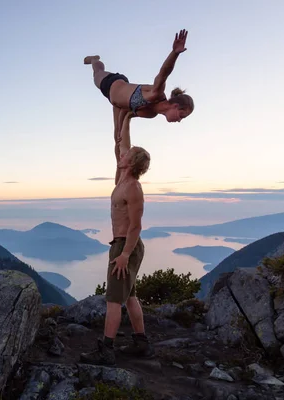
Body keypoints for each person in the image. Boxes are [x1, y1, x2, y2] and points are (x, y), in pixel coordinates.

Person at [79, 111, 154, 365]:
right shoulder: (121, 178)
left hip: (126, 246)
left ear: (131, 164)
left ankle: (106, 350)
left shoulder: (133, 188)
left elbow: (136, 226)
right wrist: (128, 118)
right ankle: (141, 344)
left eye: (128, 155)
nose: (122, 153)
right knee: (130, 295)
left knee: (113, 300)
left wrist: (124, 255)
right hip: (121, 245)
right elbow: (121, 142)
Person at [84, 29, 194, 123]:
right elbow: (164, 73)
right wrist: (174, 53)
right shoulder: (156, 93)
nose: (179, 120)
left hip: (114, 101)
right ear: (175, 106)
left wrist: (117, 134)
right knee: (97, 72)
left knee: (117, 137)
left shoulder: (151, 114)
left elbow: (126, 112)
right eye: (181, 115)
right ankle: (94, 59)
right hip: (111, 83)